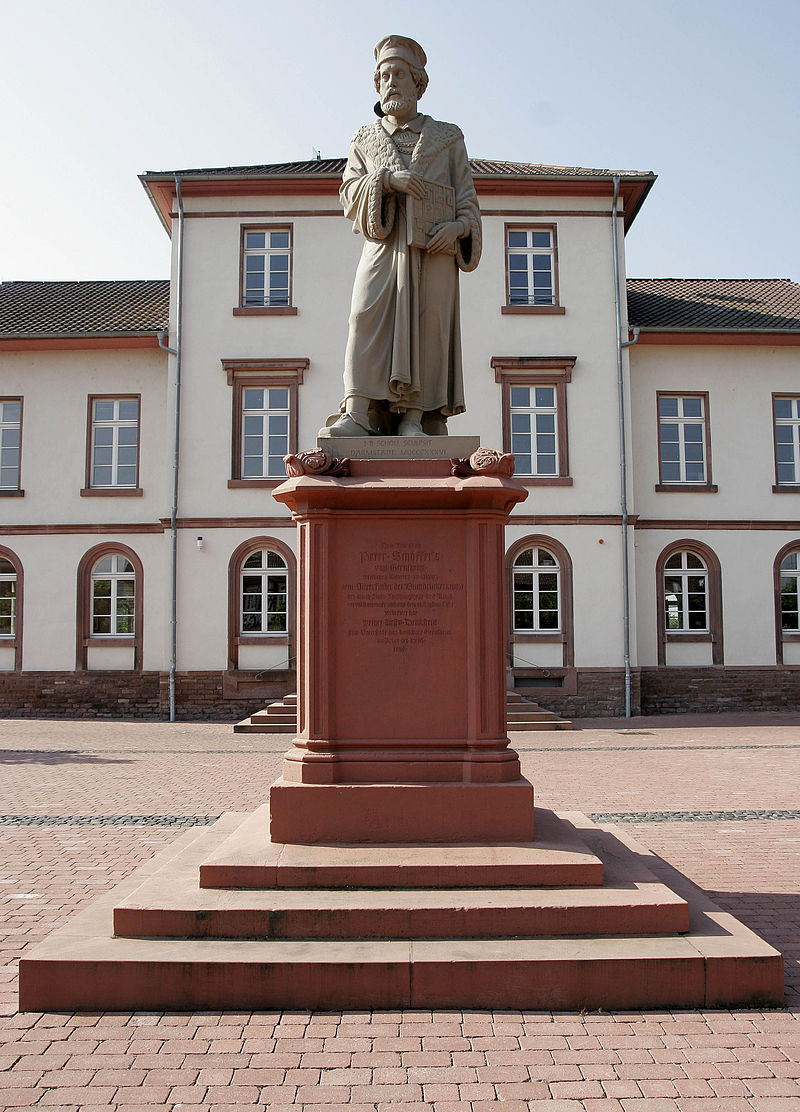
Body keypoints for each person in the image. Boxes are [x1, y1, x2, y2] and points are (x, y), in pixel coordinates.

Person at [324, 35, 481, 438]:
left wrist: (458, 229)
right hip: (385, 247)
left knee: (429, 327)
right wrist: (386, 181)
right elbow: (347, 194)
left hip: (434, 252)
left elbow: (467, 201)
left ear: (418, 83)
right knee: (363, 316)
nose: (390, 83)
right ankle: (358, 412)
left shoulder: (448, 138)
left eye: (398, 74)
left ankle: (414, 418)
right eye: (383, 76)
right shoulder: (364, 139)